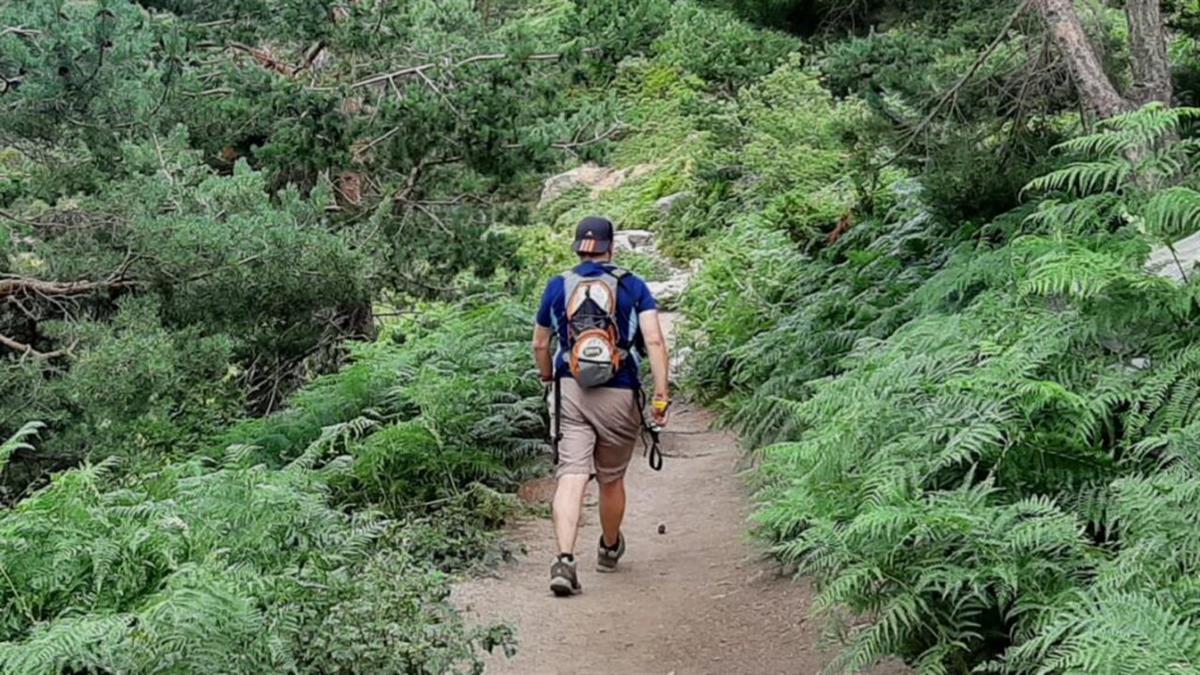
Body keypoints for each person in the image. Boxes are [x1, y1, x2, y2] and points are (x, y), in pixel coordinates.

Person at [532, 215, 671, 597]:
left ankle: (564, 559)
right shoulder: (632, 285)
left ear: (577, 246)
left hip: (571, 389)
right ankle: (609, 548)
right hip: (620, 391)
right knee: (610, 478)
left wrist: (549, 378)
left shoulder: (558, 285)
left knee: (571, 474)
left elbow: (541, 344)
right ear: (611, 247)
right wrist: (660, 395)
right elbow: (655, 341)